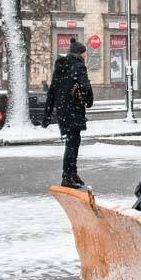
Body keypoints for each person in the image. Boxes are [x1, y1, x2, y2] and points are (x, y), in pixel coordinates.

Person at [44, 40, 94, 189]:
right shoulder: (79, 66)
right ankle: (67, 176)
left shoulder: (60, 66)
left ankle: (72, 173)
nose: (85, 55)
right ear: (80, 53)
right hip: (74, 109)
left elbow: (52, 91)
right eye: (84, 52)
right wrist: (89, 100)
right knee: (73, 143)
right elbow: (85, 87)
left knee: (72, 141)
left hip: (63, 110)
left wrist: (47, 115)